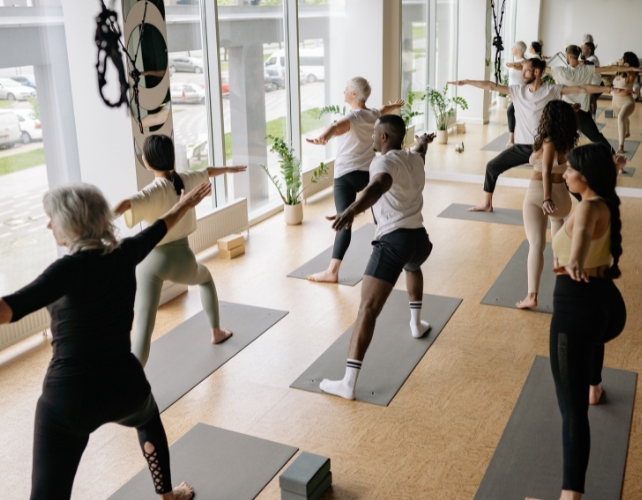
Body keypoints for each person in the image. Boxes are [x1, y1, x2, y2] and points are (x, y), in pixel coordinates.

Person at [0, 182, 212, 500]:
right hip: (123, 388)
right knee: (149, 420)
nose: (48, 225)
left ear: (71, 223)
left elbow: (6, 310)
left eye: (52, 218)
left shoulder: (63, 271)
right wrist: (185, 204)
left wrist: (183, 206)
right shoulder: (124, 254)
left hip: (68, 400)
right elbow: (159, 227)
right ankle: (168, 497)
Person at [318, 115, 435, 400]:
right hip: (419, 240)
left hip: (394, 240)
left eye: (374, 134)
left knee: (367, 309)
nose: (371, 137)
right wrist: (423, 141)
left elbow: (377, 185)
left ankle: (348, 383)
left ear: (385, 137)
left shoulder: (383, 163)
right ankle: (416, 324)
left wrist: (351, 211)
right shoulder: (414, 159)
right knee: (413, 266)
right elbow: (419, 150)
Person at [113, 134, 246, 366]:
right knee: (205, 278)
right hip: (183, 258)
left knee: (144, 324)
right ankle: (216, 332)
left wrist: (98, 220)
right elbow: (209, 170)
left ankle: (130, 384)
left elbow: (125, 205)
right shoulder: (185, 179)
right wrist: (231, 169)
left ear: (147, 161)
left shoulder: (152, 190)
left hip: (151, 263)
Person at [549, 143, 626, 500]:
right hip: (607, 307)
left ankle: (570, 496)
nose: (564, 174)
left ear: (586, 177)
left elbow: (579, 237)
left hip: (576, 307)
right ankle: (594, 385)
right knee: (589, 346)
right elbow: (577, 229)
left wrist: (574, 260)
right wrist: (614, 163)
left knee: (571, 409)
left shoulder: (585, 211)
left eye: (570, 171)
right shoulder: (603, 200)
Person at [448, 58, 614, 212]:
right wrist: (467, 82)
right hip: (523, 146)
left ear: (536, 72)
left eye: (526, 70)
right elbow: (491, 86)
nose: (523, 73)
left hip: (545, 147)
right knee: (492, 166)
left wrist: (610, 89)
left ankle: (595, 204)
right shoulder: (517, 91)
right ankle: (486, 203)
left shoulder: (551, 90)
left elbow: (582, 88)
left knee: (563, 179)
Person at [305, 77, 405, 283]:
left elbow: (335, 127)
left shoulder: (353, 116)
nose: (343, 91)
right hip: (367, 173)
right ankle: (388, 258)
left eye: (346, 89)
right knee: (379, 217)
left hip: (346, 177)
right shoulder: (373, 114)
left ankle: (332, 271)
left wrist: (323, 136)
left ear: (353, 94)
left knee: (345, 221)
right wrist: (394, 106)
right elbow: (383, 108)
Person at [516, 100, 576, 309]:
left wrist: (546, 198)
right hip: (563, 200)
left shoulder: (549, 141)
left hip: (540, 196)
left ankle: (532, 296)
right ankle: (564, 295)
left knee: (536, 244)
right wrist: (571, 111)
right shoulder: (567, 141)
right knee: (558, 248)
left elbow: (546, 169)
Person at [544, 45, 639, 154]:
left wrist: (535, 61)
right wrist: (631, 68)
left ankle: (554, 160)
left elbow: (542, 68)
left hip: (565, 111)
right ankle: (615, 158)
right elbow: (609, 68)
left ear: (569, 56)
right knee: (596, 137)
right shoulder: (587, 69)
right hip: (581, 111)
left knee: (556, 137)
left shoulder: (560, 71)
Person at [610, 52, 640, 155]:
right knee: (623, 117)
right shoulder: (619, 72)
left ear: (627, 62)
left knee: (621, 118)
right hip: (615, 102)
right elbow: (613, 87)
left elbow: (630, 70)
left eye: (622, 59)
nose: (620, 60)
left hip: (627, 102)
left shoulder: (631, 74)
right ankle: (627, 131)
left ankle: (621, 146)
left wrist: (626, 67)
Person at [506, 41, 527, 148]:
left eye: (513, 47)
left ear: (519, 50)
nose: (512, 49)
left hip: (521, 94)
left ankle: (512, 139)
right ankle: (513, 139)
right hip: (514, 94)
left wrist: (513, 65)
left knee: (510, 112)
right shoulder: (517, 61)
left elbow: (521, 67)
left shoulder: (524, 62)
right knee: (513, 113)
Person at [579, 42, 602, 118]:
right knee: (591, 102)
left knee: (590, 102)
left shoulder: (593, 58)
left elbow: (589, 63)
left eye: (584, 48)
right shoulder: (588, 58)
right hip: (593, 84)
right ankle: (592, 118)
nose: (582, 50)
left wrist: (578, 61)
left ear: (589, 50)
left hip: (596, 84)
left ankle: (591, 119)